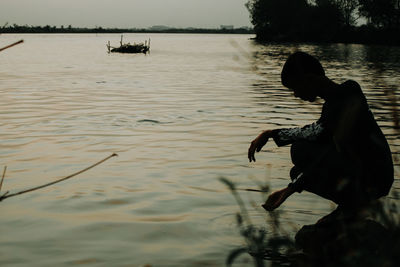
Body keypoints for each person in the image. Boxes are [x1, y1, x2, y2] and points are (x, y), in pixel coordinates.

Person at [248, 51, 393, 222]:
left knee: (300, 149)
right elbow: (325, 142)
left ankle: (353, 206)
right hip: (361, 174)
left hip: (375, 178)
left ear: (309, 79)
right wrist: (291, 189)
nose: (295, 94)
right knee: (297, 171)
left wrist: (272, 134)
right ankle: (349, 206)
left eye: (295, 87)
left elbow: (317, 132)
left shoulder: (349, 91)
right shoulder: (332, 104)